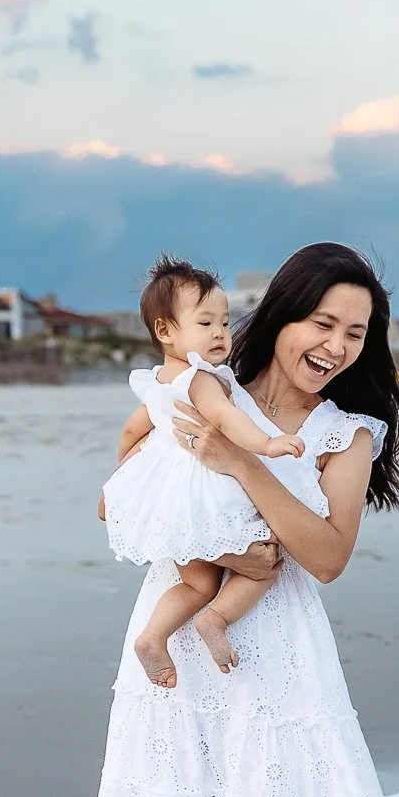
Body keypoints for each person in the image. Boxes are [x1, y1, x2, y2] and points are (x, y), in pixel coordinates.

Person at [43, 243, 399, 797]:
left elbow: (326, 556)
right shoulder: (203, 390)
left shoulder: (345, 432)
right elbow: (120, 503)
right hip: (176, 635)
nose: (334, 346)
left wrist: (238, 468)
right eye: (322, 322)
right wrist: (233, 553)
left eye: (356, 334)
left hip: (280, 645)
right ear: (282, 316)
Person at [101, 257, 306, 687]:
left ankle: (153, 637)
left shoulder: (157, 381)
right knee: (265, 565)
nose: (219, 333)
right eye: (206, 322)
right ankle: (214, 620)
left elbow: (132, 430)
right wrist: (268, 444)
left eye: (225, 323)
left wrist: (119, 480)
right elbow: (228, 420)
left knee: (196, 582)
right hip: (202, 494)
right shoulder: (201, 379)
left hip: (168, 501)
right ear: (165, 331)